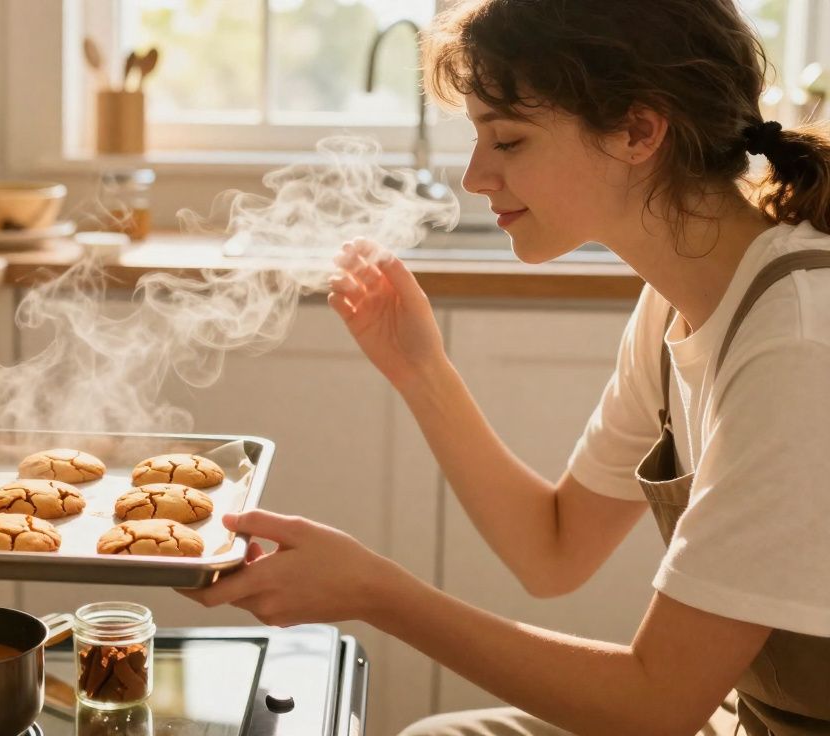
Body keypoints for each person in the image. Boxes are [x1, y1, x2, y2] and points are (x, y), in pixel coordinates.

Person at [181, 1, 830, 734]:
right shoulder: (673, 305)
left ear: (639, 131)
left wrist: (376, 593)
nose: (475, 175)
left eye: (509, 140)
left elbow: (656, 705)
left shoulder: (797, 344)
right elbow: (553, 550)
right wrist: (421, 371)